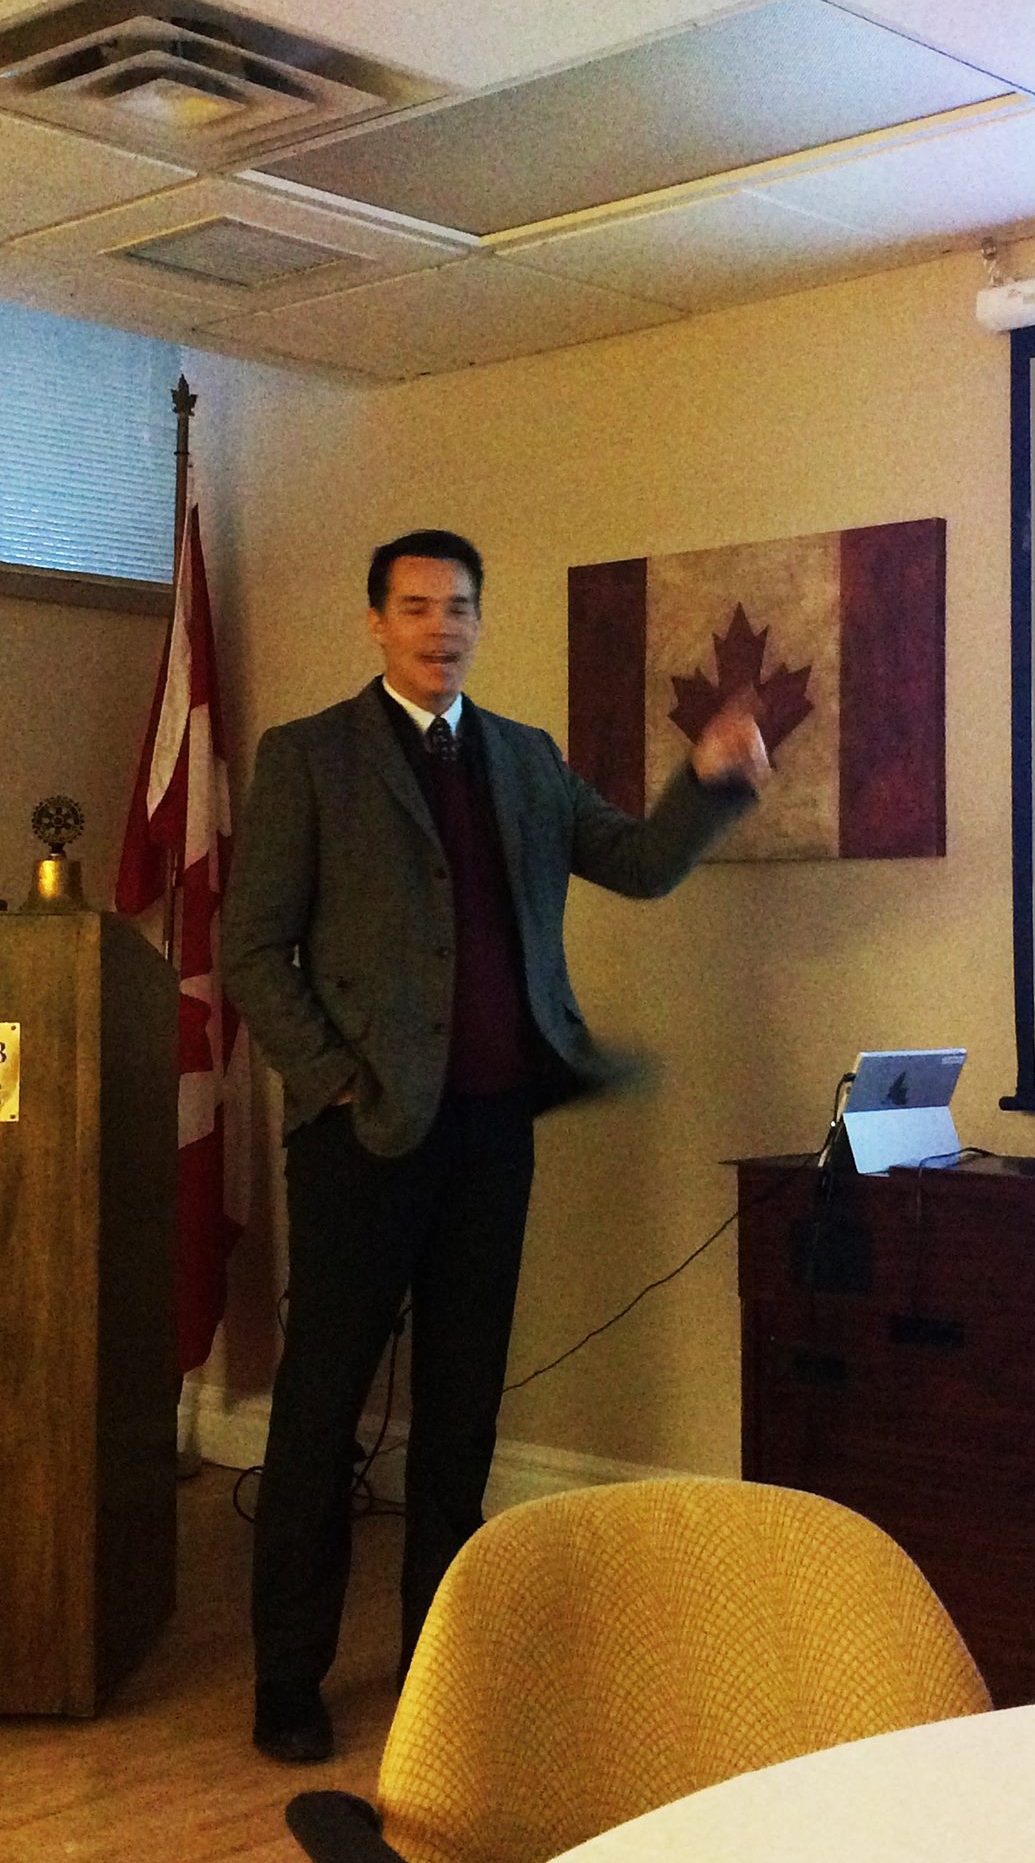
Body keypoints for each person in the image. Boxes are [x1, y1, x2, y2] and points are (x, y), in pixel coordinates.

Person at [221, 528, 769, 1763]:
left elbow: (637, 863)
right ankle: (288, 1676)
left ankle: (439, 1664)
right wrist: (333, 1080)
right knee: (320, 1413)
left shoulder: (524, 757)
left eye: (460, 606)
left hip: (491, 1130)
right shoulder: (310, 756)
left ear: (479, 618)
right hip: (362, 1134)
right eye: (417, 606)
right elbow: (252, 949)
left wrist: (708, 779)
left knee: (462, 1414)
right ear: (376, 621)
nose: (441, 627)